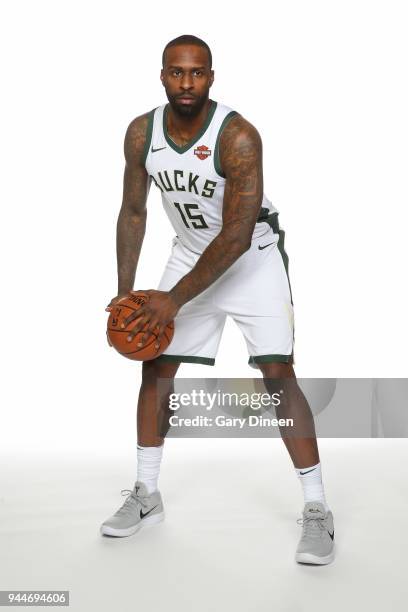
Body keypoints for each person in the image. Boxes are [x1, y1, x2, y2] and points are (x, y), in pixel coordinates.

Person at [101, 34, 335, 565]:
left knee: (278, 374)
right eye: (177, 72)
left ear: (212, 76)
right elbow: (133, 211)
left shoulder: (239, 137)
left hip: (250, 255)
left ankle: (318, 509)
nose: (187, 83)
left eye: (198, 73)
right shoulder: (142, 133)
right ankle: (146, 494)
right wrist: (127, 295)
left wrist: (171, 301)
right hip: (189, 252)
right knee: (156, 367)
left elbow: (234, 233)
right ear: (162, 74)